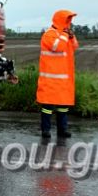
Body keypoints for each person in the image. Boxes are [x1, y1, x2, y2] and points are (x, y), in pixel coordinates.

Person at [36, 10, 79, 139]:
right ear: (60, 20)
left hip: (63, 80)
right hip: (50, 80)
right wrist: (65, 34)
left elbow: (75, 46)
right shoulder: (49, 34)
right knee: (47, 107)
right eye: (67, 20)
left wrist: (71, 36)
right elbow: (58, 47)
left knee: (63, 107)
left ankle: (62, 130)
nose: (68, 23)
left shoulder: (64, 34)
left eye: (69, 20)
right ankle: (46, 130)